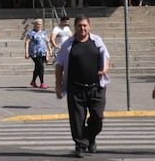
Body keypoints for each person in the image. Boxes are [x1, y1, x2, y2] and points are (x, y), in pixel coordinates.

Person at [55, 14, 110, 158]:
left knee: (97, 118)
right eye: (79, 26)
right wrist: (58, 86)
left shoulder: (96, 41)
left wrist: (105, 69)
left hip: (96, 87)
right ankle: (80, 145)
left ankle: (90, 137)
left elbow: (107, 57)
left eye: (85, 25)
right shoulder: (68, 44)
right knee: (77, 119)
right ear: (75, 27)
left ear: (89, 27)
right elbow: (59, 65)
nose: (82, 28)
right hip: (76, 88)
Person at [24, 19, 51, 89]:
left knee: (37, 67)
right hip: (34, 53)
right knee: (41, 66)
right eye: (37, 24)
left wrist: (49, 50)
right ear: (34, 25)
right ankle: (42, 83)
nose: (39, 25)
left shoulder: (43, 32)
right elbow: (27, 42)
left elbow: (47, 41)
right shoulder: (31, 33)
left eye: (40, 24)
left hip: (43, 52)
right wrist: (26, 52)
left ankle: (33, 81)